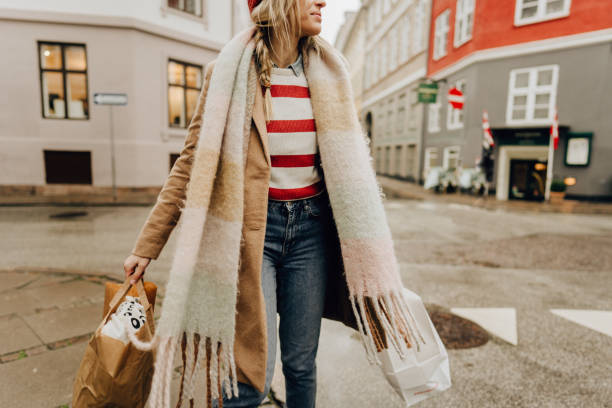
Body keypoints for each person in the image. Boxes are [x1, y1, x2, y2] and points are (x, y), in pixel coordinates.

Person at [125, 1, 334, 406]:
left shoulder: (327, 73)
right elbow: (190, 162)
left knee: (302, 365)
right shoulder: (229, 72)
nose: (322, 2)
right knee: (251, 376)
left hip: (311, 232)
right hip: (252, 234)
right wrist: (147, 245)